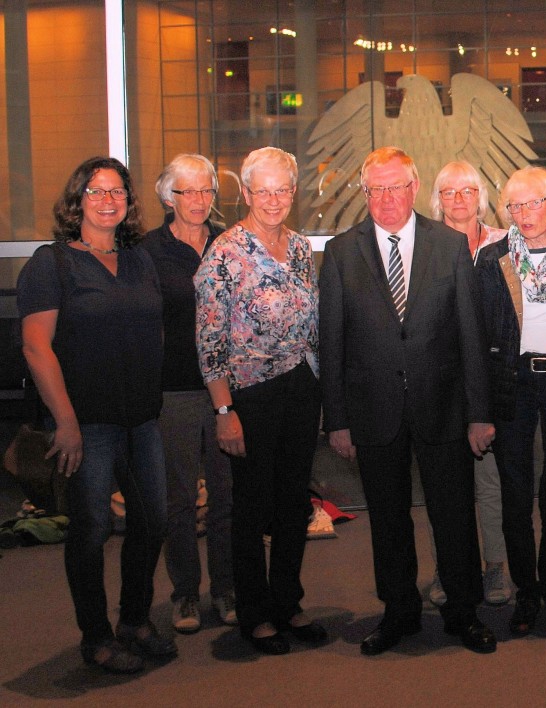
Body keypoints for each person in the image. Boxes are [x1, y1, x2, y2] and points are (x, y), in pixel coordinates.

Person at [318, 146, 497, 656]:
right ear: (365, 192)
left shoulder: (448, 244)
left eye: (397, 187)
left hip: (443, 408)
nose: (387, 199)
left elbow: (470, 333)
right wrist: (337, 419)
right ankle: (399, 612)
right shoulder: (340, 252)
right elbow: (331, 342)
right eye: (377, 189)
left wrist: (479, 412)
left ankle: (465, 613)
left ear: (414, 188)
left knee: (455, 516)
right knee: (388, 521)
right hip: (373, 412)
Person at [17, 156, 176, 673]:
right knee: (91, 531)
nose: (107, 200)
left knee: (153, 522)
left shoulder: (138, 260)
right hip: (87, 422)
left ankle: (134, 619)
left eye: (117, 191)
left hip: (142, 419)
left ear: (128, 202)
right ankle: (96, 636)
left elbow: (154, 330)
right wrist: (64, 421)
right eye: (95, 191)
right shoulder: (53, 263)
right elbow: (37, 348)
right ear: (76, 201)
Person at [194, 147, 324, 655]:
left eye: (283, 189)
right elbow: (209, 342)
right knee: (250, 507)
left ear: (294, 192)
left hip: (299, 387)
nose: (273, 199)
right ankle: (254, 613)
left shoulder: (298, 247)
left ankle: (287, 602)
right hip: (248, 395)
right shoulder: (224, 253)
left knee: (295, 503)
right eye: (262, 190)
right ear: (245, 193)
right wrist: (224, 411)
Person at [475, 166, 546, 637]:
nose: (523, 214)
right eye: (514, 206)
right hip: (514, 384)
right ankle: (527, 589)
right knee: (516, 494)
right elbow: (481, 334)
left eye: (532, 202)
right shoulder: (493, 257)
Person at [142, 154, 235, 635]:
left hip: (229, 392)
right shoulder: (148, 252)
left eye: (206, 191)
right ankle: (184, 596)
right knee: (178, 500)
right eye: (188, 192)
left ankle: (225, 589)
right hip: (174, 391)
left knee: (226, 495)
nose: (199, 201)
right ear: (168, 197)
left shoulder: (231, 242)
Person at [423, 160, 510, 608]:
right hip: (438, 383)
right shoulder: (424, 245)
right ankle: (447, 569)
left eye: (468, 191)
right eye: (450, 192)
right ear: (437, 199)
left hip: (491, 382)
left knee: (490, 483)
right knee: (443, 486)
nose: (459, 200)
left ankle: (495, 567)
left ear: (481, 196)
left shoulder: (503, 243)